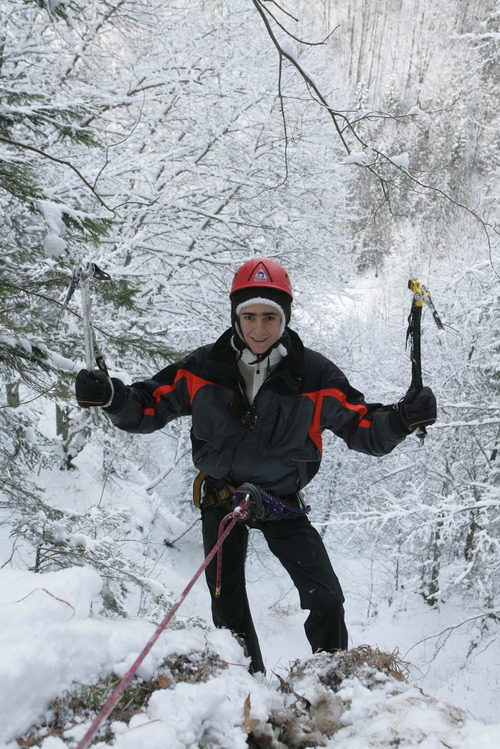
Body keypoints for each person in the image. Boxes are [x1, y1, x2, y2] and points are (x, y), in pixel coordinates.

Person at [75, 257, 436, 673]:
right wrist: (111, 398)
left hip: (281, 501)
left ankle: (333, 680)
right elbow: (148, 406)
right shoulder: (203, 368)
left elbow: (363, 427)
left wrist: (403, 418)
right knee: (227, 609)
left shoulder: (313, 375)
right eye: (249, 317)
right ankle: (248, 689)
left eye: (270, 317)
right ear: (235, 316)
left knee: (327, 599)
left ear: (285, 319)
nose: (259, 329)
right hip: (222, 498)